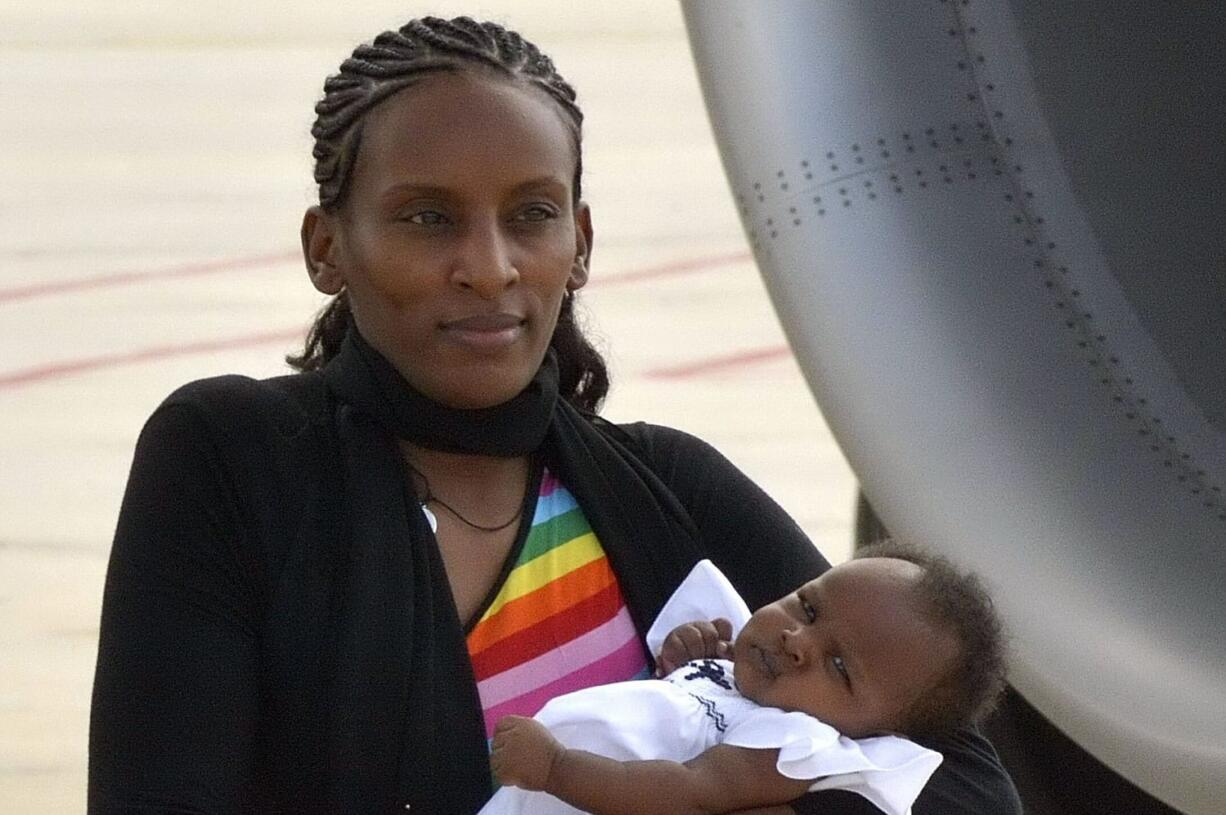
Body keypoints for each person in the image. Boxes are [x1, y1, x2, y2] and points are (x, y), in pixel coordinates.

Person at [87, 15, 1021, 815]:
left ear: (578, 242)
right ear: (326, 246)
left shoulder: (671, 488)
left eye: (530, 214)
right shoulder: (230, 459)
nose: (489, 267)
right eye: (426, 218)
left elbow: (965, 779)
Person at [486, 542, 1007, 815]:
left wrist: (556, 767)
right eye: (807, 606)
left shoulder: (794, 743)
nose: (797, 641)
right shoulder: (743, 677)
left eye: (840, 666)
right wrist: (687, 665)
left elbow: (688, 793)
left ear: (878, 733)